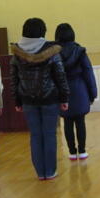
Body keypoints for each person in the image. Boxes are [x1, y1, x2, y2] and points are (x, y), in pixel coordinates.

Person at [11, 18, 70, 180]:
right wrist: (64, 98)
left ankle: (40, 173)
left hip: (28, 101)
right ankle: (50, 171)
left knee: (35, 135)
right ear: (42, 32)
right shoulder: (52, 50)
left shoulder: (17, 52)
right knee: (49, 135)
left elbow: (14, 79)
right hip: (50, 98)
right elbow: (60, 76)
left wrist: (17, 101)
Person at [54, 23, 97, 161]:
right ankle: (82, 151)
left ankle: (72, 152)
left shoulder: (54, 53)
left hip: (62, 91)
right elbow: (88, 72)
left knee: (67, 122)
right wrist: (93, 93)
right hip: (80, 90)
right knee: (80, 121)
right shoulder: (80, 51)